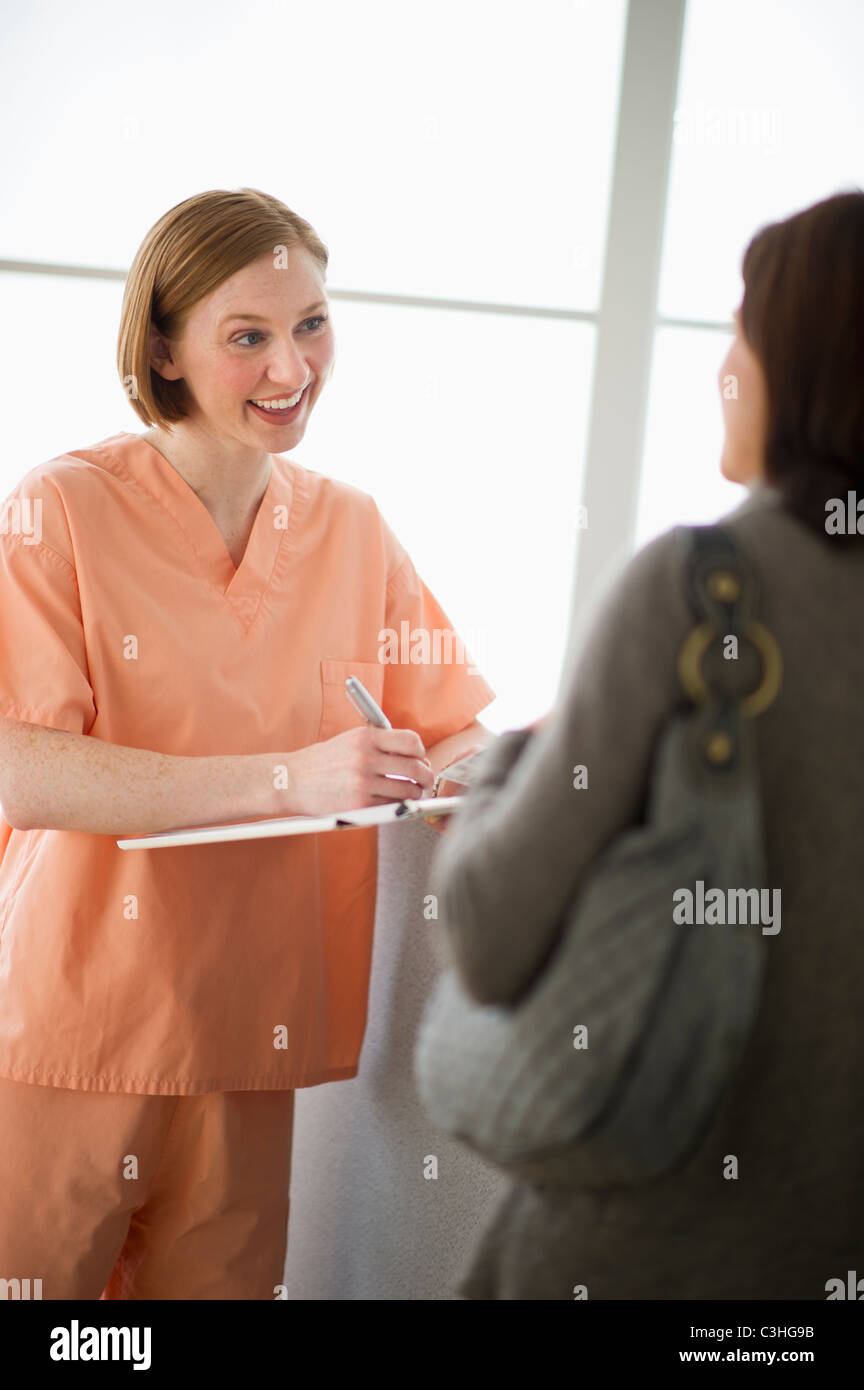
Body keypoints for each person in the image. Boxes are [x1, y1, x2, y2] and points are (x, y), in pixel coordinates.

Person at [0, 187, 495, 1300]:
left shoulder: (353, 528)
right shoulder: (61, 510)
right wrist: (292, 775)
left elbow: (449, 723)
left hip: (248, 1040)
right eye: (248, 338)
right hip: (71, 1028)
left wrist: (504, 766)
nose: (292, 369)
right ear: (165, 351)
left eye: (312, 323)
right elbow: (23, 765)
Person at [428, 189, 864, 1300]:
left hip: (644, 1259)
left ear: (810, 362)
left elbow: (488, 931)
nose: (724, 367)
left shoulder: (709, 592)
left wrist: (510, 764)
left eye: (742, 330)